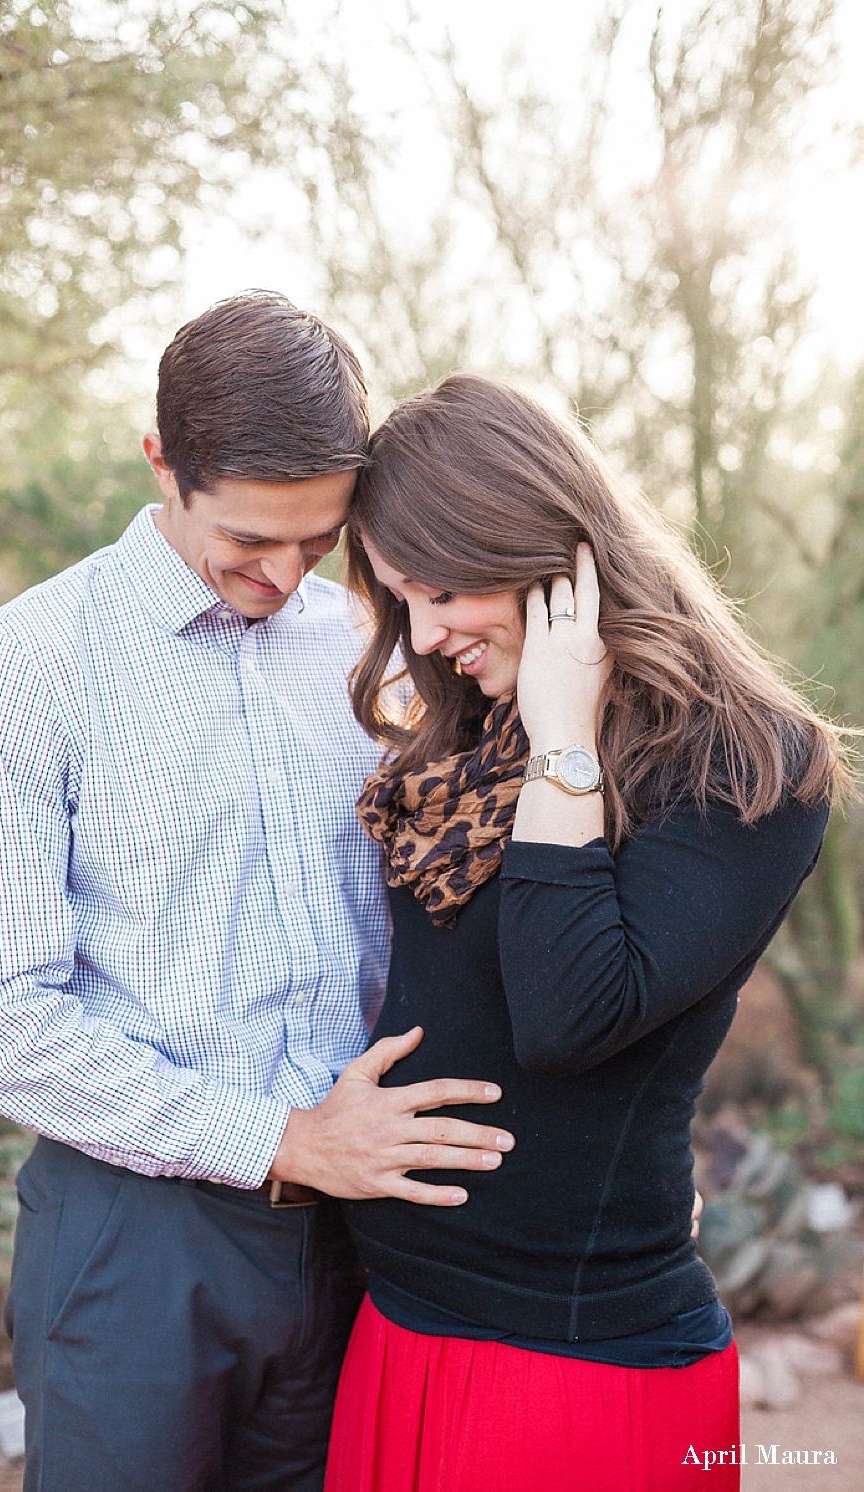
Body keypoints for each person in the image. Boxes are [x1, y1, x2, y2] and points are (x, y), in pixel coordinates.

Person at [0, 296, 516, 1492]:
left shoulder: (367, 642)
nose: (284, 573)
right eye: (249, 539)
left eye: (317, 538)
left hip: (366, 1243)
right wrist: (282, 1139)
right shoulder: (30, 662)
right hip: (137, 1243)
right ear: (161, 462)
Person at [324, 374, 847, 1492]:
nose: (422, 635)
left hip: (567, 1368)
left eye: (438, 592)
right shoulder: (467, 729)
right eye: (398, 601)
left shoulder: (743, 765)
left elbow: (568, 1018)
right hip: (398, 1328)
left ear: (536, 546)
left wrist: (563, 738)